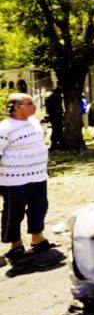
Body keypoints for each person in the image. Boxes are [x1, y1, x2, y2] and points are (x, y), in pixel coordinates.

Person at [0, 93, 51, 262]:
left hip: (38, 175)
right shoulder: (4, 128)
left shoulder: (34, 122)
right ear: (17, 107)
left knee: (39, 207)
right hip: (14, 180)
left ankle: (38, 238)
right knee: (14, 213)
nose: (34, 105)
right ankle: (15, 244)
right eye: (29, 103)